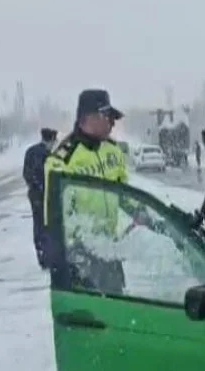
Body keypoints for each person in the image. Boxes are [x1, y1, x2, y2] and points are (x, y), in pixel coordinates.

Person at [43, 89, 132, 293]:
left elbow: (125, 194)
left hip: (110, 252)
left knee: (118, 312)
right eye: (107, 117)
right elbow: (57, 221)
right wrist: (72, 262)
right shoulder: (62, 160)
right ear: (89, 118)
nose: (112, 123)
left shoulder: (113, 151)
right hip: (81, 261)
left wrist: (144, 214)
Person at [23, 127, 58, 268]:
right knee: (48, 226)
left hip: (34, 195)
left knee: (38, 225)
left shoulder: (30, 151)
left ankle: (42, 255)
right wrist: (44, 188)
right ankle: (48, 256)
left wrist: (34, 186)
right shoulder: (49, 155)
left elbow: (26, 173)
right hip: (46, 195)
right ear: (51, 140)